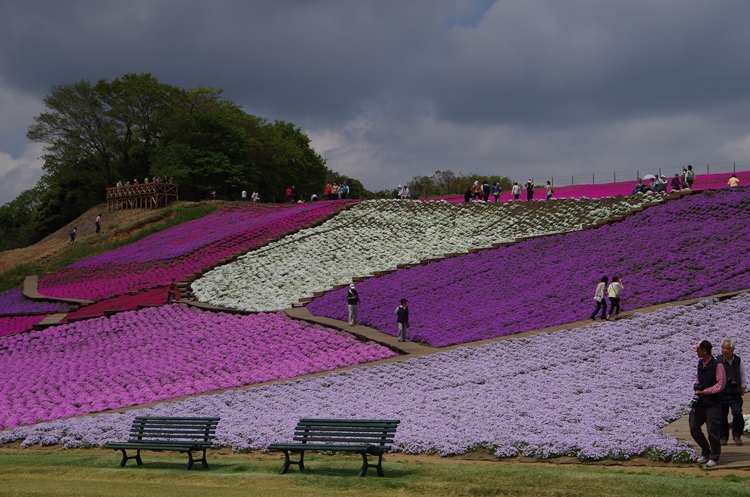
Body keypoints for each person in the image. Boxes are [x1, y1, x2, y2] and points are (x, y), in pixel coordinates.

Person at [690, 340, 726, 468]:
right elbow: (699, 377)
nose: (697, 352)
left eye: (698, 350)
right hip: (699, 402)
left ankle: (715, 457)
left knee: (712, 431)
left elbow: (721, 384)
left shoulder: (718, 365)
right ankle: (705, 451)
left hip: (712, 403)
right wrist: (697, 385)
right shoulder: (700, 363)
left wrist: (705, 391)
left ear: (704, 351)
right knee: (693, 426)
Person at [718, 338, 746, 446]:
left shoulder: (738, 360)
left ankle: (737, 435)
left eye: (727, 348)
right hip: (722, 392)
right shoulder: (718, 360)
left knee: (737, 412)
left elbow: (742, 373)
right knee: (722, 416)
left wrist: (742, 386)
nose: (724, 350)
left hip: (735, 393)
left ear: (733, 349)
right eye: (723, 348)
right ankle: (723, 437)